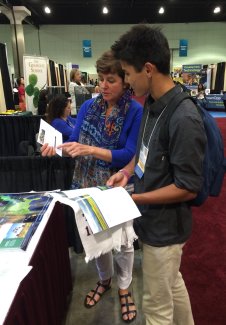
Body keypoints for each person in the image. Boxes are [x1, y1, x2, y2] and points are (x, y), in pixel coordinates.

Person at [107, 24, 207, 325]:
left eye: (127, 73)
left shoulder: (184, 117)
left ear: (148, 68)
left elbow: (188, 187)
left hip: (166, 230)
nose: (126, 81)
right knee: (171, 285)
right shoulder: (151, 103)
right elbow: (144, 151)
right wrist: (127, 172)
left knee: (156, 309)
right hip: (151, 221)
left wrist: (135, 197)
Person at [41, 50, 143, 322]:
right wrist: (57, 150)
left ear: (125, 81)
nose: (104, 86)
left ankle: (124, 287)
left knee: (123, 241)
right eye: (101, 79)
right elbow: (75, 145)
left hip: (116, 184)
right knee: (97, 239)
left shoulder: (135, 111)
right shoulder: (88, 107)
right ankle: (105, 279)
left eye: (111, 80)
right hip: (85, 183)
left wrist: (91, 149)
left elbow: (128, 154)